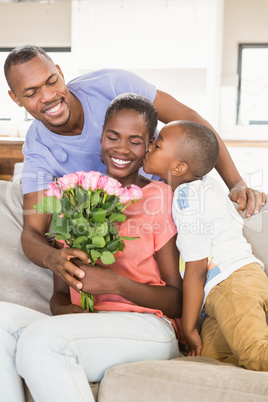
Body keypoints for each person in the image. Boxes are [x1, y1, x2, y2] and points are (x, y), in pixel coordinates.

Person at [4, 45, 266, 292]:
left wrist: (237, 183)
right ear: (15, 98)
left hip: (179, 201)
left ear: (60, 72)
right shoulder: (38, 147)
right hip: (138, 231)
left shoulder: (111, 85)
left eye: (51, 81)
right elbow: (33, 232)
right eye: (31, 92)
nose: (49, 96)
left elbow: (193, 124)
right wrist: (52, 257)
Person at [0, 94, 182, 402]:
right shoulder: (72, 196)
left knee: (42, 341)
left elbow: (177, 301)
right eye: (113, 136)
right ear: (101, 138)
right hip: (85, 325)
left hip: (149, 326)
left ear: (150, 144)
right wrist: (62, 309)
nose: (121, 149)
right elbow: (59, 295)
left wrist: (114, 283)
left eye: (135, 141)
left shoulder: (159, 198)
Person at [143, 120, 268, 371]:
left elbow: (197, 266)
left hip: (231, 284)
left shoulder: (187, 197)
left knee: (256, 354)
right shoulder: (206, 185)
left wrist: (188, 326)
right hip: (227, 291)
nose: (148, 146)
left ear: (178, 167)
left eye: (157, 145)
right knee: (210, 362)